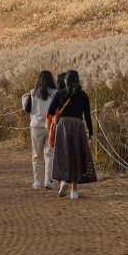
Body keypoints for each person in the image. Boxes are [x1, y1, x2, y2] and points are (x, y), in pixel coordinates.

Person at [47, 70, 97, 199]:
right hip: (77, 126)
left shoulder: (59, 93)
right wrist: (90, 133)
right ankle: (74, 191)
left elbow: (51, 111)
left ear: (66, 81)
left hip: (62, 126)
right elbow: (87, 116)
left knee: (63, 152)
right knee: (76, 155)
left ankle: (63, 181)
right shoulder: (83, 95)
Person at [22, 70, 57, 189]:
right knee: (49, 154)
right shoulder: (55, 93)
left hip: (36, 126)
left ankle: (37, 181)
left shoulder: (33, 93)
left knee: (37, 154)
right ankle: (48, 180)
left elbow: (26, 108)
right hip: (51, 125)